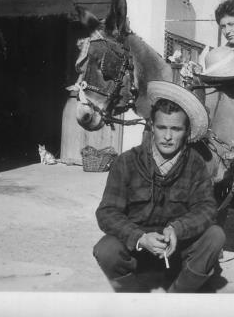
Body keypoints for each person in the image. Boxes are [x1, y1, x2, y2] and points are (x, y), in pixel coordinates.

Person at [92, 81, 225, 293]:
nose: (168, 136)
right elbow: (107, 212)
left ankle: (176, 297)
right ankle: (135, 300)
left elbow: (207, 208)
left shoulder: (196, 162)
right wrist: (140, 238)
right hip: (138, 247)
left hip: (177, 247)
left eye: (176, 129)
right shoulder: (126, 161)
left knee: (215, 235)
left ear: (186, 131)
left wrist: (176, 230)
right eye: (162, 127)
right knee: (106, 250)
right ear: (152, 127)